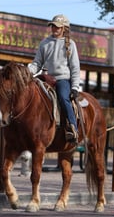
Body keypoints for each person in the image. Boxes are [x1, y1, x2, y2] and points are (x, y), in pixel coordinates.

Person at [28, 14, 80, 143]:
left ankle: (72, 127)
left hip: (62, 79)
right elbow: (37, 63)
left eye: (57, 27)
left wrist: (74, 87)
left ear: (64, 28)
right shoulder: (45, 43)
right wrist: (26, 72)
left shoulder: (70, 45)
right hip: (46, 77)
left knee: (63, 97)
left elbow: (75, 68)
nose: (54, 29)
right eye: (52, 26)